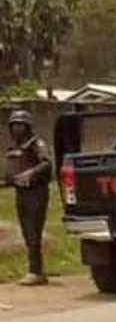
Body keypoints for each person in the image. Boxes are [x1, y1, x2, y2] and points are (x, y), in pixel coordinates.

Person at [5, 110, 52, 285]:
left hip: (36, 193)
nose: (17, 128)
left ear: (28, 126)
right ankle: (37, 270)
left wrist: (30, 174)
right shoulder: (15, 148)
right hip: (21, 193)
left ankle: (35, 271)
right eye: (14, 125)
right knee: (26, 232)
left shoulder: (37, 143)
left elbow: (47, 163)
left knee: (33, 232)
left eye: (20, 125)